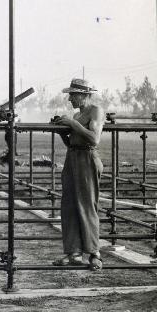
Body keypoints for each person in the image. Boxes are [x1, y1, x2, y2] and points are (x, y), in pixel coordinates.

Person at [51, 78, 105, 271]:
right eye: (70, 95)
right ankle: (73, 251)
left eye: (74, 95)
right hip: (72, 157)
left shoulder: (95, 111)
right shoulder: (76, 115)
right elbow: (72, 141)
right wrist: (61, 131)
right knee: (69, 205)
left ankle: (93, 253)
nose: (70, 99)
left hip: (87, 158)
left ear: (85, 95)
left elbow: (94, 138)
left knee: (87, 205)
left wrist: (72, 125)